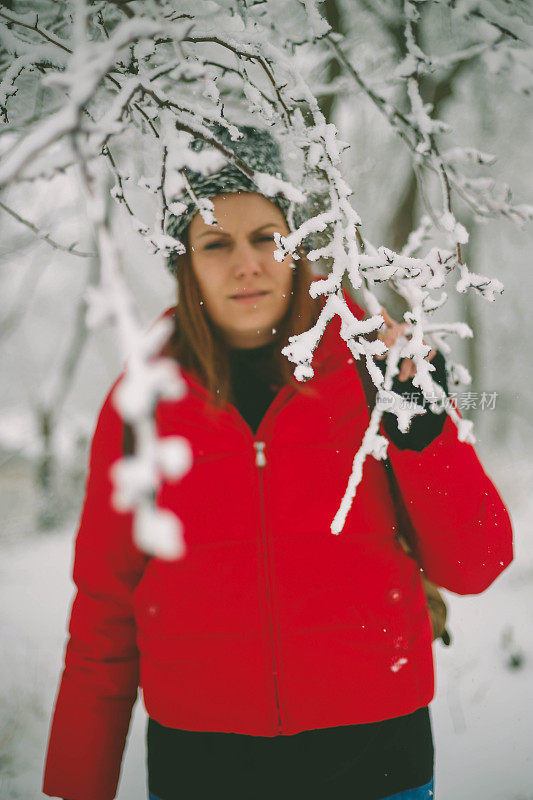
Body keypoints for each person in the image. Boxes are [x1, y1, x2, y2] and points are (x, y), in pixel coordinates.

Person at [42, 127, 513, 800]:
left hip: (375, 756)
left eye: (266, 236)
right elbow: (104, 610)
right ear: (185, 262)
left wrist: (420, 422)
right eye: (215, 243)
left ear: (296, 243)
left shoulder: (373, 366)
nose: (246, 263)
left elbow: (475, 563)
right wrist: (77, 786)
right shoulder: (142, 400)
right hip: (201, 766)